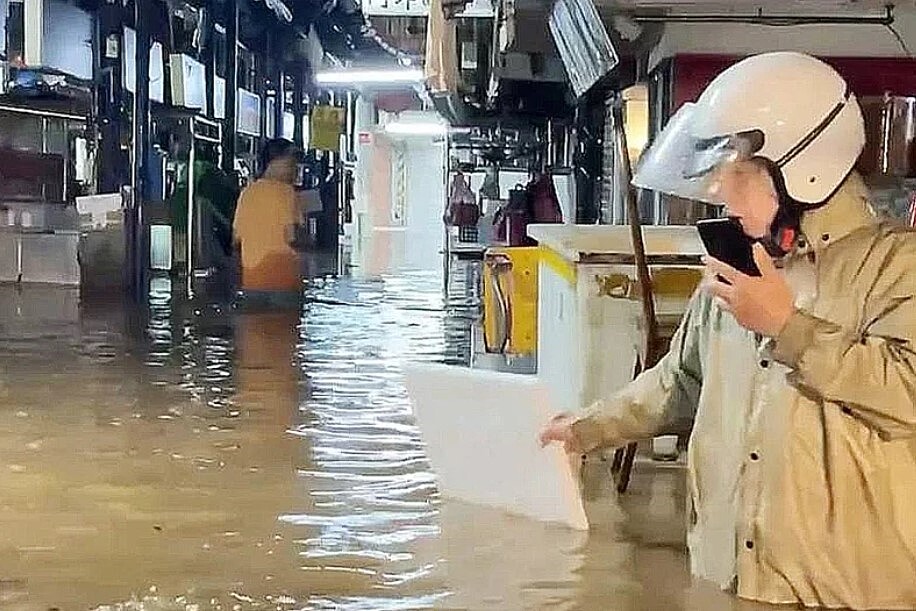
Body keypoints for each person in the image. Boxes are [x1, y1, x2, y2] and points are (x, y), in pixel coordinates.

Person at [540, 52, 916, 610]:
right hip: (728, 578)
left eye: (736, 168)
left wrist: (787, 327)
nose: (717, 186)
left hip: (844, 591)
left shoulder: (897, 267)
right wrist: (586, 430)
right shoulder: (740, 266)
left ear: (806, 168)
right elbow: (682, 379)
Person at [232, 139, 303, 296]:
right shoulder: (287, 193)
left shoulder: (247, 193)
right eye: (291, 164)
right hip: (283, 281)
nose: (295, 171)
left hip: (252, 282)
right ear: (274, 162)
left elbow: (236, 239)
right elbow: (294, 238)